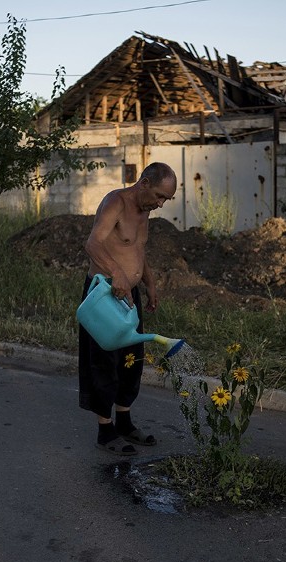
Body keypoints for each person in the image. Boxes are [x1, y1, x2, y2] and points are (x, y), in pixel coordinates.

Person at [79, 162, 178, 456]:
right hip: (105, 295)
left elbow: (137, 249)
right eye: (159, 196)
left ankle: (124, 422)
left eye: (166, 200)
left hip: (129, 295)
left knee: (131, 359)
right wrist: (117, 273)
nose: (160, 204)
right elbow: (92, 244)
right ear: (144, 182)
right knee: (104, 361)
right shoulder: (115, 202)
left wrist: (149, 283)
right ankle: (105, 429)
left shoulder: (144, 212)